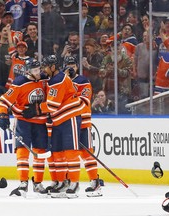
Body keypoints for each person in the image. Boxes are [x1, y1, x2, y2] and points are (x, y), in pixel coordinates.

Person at [24, 55, 85, 198]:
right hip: (58, 120)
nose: (43, 70)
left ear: (53, 67)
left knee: (70, 152)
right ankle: (62, 181)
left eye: (45, 67)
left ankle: (74, 183)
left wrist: (36, 109)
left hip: (70, 117)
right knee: (57, 153)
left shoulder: (58, 80)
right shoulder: (53, 79)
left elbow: (53, 105)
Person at [0, 60, 48, 197]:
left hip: (41, 121)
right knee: (22, 152)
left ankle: (38, 183)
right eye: (35, 70)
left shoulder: (45, 79)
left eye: (39, 69)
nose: (38, 72)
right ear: (28, 72)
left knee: (40, 152)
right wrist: (2, 115)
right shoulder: (19, 83)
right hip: (23, 121)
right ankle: (23, 182)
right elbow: (3, 101)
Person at [63, 56, 103, 197]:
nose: (71, 67)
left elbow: (83, 100)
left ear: (77, 67)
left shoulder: (83, 81)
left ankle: (95, 181)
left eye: (73, 65)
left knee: (87, 154)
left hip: (83, 122)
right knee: (69, 154)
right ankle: (70, 181)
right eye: (68, 65)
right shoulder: (61, 82)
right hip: (67, 123)